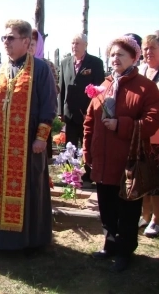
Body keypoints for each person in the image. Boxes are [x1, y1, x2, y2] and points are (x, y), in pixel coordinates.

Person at [83, 36, 159, 272]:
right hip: (103, 160)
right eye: (113, 54)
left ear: (134, 58)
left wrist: (121, 124)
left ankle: (125, 252)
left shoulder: (145, 88)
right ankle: (110, 244)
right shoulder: (103, 86)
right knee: (106, 206)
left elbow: (152, 121)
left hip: (128, 161)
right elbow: (89, 121)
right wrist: (88, 153)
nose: (115, 58)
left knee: (127, 209)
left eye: (121, 55)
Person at [0, 19, 57, 251]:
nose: (5, 42)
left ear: (26, 41)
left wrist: (41, 138)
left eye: (10, 38)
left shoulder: (41, 69)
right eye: (3, 38)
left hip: (28, 146)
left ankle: (30, 242)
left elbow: (49, 106)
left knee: (30, 190)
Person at [59, 33, 105, 185]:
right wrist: (61, 111)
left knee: (88, 144)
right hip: (70, 112)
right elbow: (62, 87)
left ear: (85, 45)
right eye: (73, 43)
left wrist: (94, 111)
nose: (74, 46)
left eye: (78, 43)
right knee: (70, 145)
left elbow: (100, 88)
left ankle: (89, 175)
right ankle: (70, 175)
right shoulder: (65, 62)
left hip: (87, 112)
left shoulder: (95, 63)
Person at [139, 33, 159, 237]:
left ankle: (156, 219)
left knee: (156, 178)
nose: (148, 52)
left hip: (158, 133)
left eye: (152, 48)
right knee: (143, 175)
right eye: (145, 48)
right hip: (142, 133)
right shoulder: (142, 71)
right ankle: (145, 214)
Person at [28, 29, 60, 160]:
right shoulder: (18, 65)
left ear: (39, 46)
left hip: (42, 114)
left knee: (39, 156)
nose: (29, 48)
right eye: (27, 44)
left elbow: (55, 88)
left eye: (33, 45)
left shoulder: (46, 65)